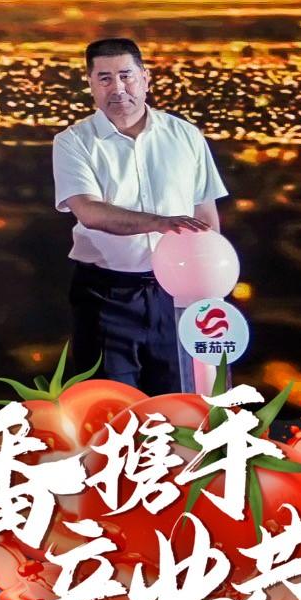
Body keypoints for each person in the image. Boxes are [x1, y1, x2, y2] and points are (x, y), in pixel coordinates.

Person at [50, 35, 228, 393]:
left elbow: (206, 216)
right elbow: (89, 212)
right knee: (111, 404)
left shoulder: (184, 135)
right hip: (106, 294)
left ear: (145, 78)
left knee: (180, 398)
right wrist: (161, 223)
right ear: (90, 84)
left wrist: (211, 286)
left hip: (177, 292)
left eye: (126, 75)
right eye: (104, 78)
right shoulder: (73, 141)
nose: (117, 88)